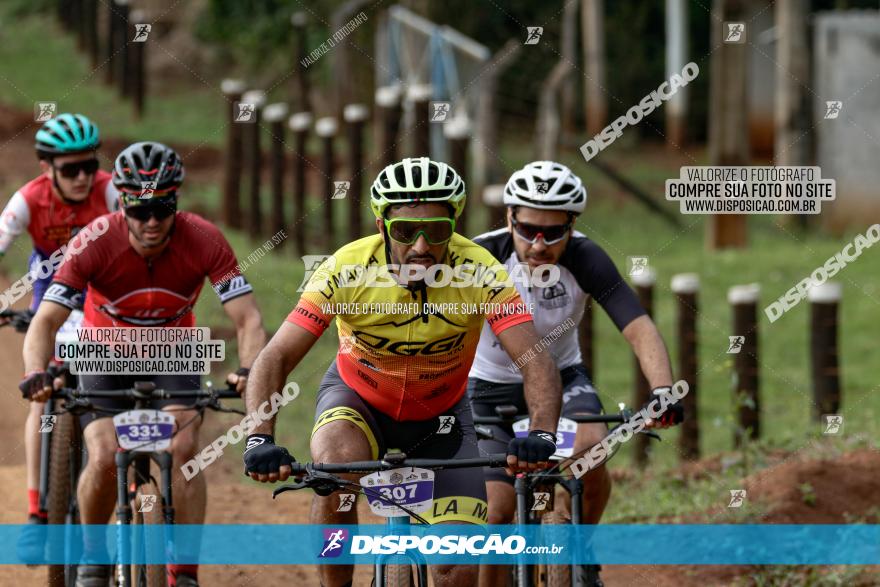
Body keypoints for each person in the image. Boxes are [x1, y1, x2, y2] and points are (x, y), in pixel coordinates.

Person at [242, 157, 563, 587]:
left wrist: (541, 433)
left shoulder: (480, 270)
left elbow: (536, 359)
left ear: (453, 227)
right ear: (381, 226)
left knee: (456, 570)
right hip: (358, 404)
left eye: (436, 231)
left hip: (444, 419)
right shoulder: (345, 268)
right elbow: (276, 355)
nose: (421, 247)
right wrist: (260, 436)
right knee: (336, 469)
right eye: (405, 231)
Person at [19, 142, 266, 587]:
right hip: (102, 350)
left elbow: (247, 318)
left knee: (184, 450)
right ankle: (94, 556)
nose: (151, 222)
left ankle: (185, 571)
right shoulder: (94, 241)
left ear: (176, 200)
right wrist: (36, 371)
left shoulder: (204, 239)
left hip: (173, 349)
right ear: (122, 202)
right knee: (102, 453)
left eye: (162, 208)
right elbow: (46, 322)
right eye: (139, 210)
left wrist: (248, 369)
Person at [468, 161, 683, 587]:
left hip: (564, 377)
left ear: (572, 224)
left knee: (594, 449)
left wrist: (664, 391)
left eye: (554, 232)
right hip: (487, 386)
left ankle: (582, 550)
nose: (540, 244)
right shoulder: (482, 257)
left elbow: (638, 327)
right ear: (509, 217)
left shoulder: (585, 257)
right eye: (528, 229)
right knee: (497, 509)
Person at [1, 113, 118, 559]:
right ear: (46, 167)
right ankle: (36, 511)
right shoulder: (28, 200)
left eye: (89, 165)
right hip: (51, 295)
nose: (82, 177)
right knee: (41, 396)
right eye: (70, 169)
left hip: (104, 295)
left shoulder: (110, 190)